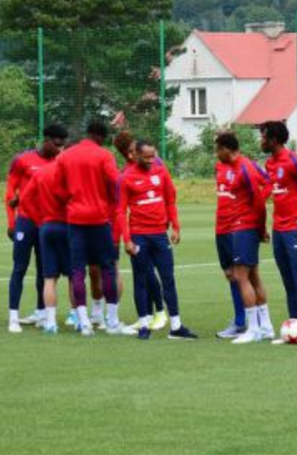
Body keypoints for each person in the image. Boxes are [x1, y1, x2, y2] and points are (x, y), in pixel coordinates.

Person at [55, 120, 133, 336]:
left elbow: (58, 188)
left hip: (75, 219)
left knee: (77, 270)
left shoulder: (66, 155)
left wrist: (71, 200)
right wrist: (107, 200)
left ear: (87, 133)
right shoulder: (104, 155)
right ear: (100, 137)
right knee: (108, 268)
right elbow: (116, 183)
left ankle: (84, 322)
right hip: (99, 219)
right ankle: (112, 321)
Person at [117, 140, 197, 340]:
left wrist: (175, 226)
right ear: (135, 155)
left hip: (160, 235)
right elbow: (120, 211)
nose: (151, 160)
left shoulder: (161, 172)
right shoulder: (126, 178)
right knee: (140, 279)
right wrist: (126, 239)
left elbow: (170, 200)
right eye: (147, 157)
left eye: (153, 156)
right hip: (139, 235)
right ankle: (144, 325)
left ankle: (176, 326)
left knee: (168, 279)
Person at [260, 120, 297, 346]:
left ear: (274, 140)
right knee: (288, 282)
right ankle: (294, 328)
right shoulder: (269, 164)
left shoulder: (294, 161)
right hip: (279, 230)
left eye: (263, 137)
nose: (261, 141)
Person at [4, 125, 67, 329]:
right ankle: (13, 317)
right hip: (26, 222)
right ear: (46, 140)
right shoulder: (23, 160)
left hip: (47, 223)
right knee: (19, 268)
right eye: (56, 144)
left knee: (44, 271)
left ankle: (41, 313)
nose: (59, 148)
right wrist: (11, 222)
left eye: (62, 145)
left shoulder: (60, 162)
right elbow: (10, 191)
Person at [214, 131, 273, 344]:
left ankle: (253, 328)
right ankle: (265, 327)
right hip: (227, 227)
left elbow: (260, 200)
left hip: (242, 226)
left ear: (225, 149)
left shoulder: (246, 167)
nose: (216, 154)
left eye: (217, 150)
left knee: (242, 276)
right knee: (248, 275)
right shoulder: (222, 167)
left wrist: (260, 228)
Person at [113, 130, 167, 329]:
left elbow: (165, 190)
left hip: (154, 227)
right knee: (143, 272)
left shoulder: (154, 163)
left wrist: (166, 217)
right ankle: (147, 316)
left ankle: (160, 312)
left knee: (150, 272)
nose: (132, 153)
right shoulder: (126, 172)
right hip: (138, 229)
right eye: (129, 151)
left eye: (134, 149)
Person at [20, 154, 72, 335]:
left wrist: (38, 220)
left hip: (46, 226)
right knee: (74, 275)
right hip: (67, 226)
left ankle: (50, 322)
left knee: (49, 278)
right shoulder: (68, 173)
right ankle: (77, 317)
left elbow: (25, 199)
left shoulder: (41, 172)